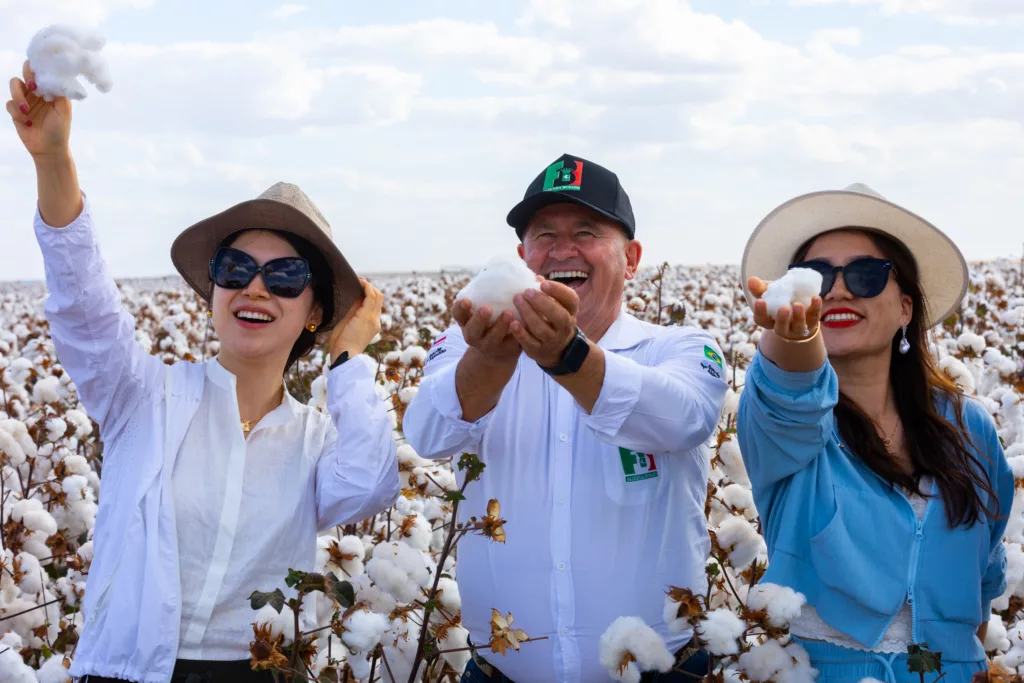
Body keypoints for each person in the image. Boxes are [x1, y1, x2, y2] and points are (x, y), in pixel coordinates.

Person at [6, 62, 401, 682]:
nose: (256, 287)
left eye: (287, 276)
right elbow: (83, 305)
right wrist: (53, 160)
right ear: (213, 288)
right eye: (236, 267)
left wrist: (349, 355)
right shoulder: (143, 396)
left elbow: (370, 484)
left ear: (313, 311)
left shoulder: (315, 439)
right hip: (127, 670)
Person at [403, 153, 729, 682]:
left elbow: (684, 419)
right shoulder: (472, 344)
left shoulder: (679, 349)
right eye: (544, 235)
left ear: (631, 258)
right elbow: (427, 433)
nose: (562, 250)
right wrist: (487, 361)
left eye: (586, 231)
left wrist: (568, 357)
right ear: (521, 256)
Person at [736, 183, 1013, 683]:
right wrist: (792, 338)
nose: (838, 290)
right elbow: (789, 391)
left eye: (865, 275)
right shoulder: (785, 425)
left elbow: (985, 581)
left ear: (906, 308)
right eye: (816, 277)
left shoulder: (968, 426)